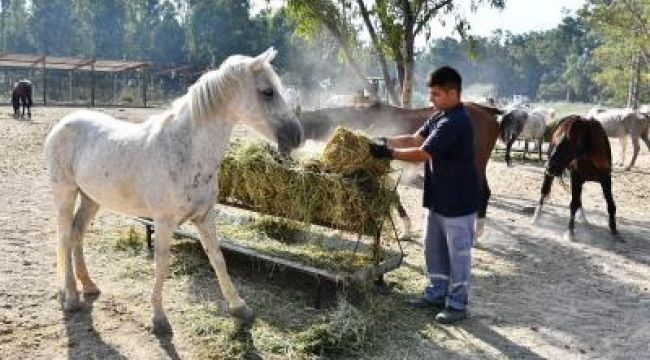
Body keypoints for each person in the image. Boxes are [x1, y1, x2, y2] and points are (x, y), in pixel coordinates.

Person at [369, 66, 477, 324]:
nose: (431, 99)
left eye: (437, 94)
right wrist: (385, 140)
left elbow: (423, 153)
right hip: (438, 197)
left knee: (458, 255)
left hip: (458, 202)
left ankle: (457, 304)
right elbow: (415, 139)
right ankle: (436, 293)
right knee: (434, 249)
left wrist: (388, 154)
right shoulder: (440, 115)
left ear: (453, 93)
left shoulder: (456, 121)